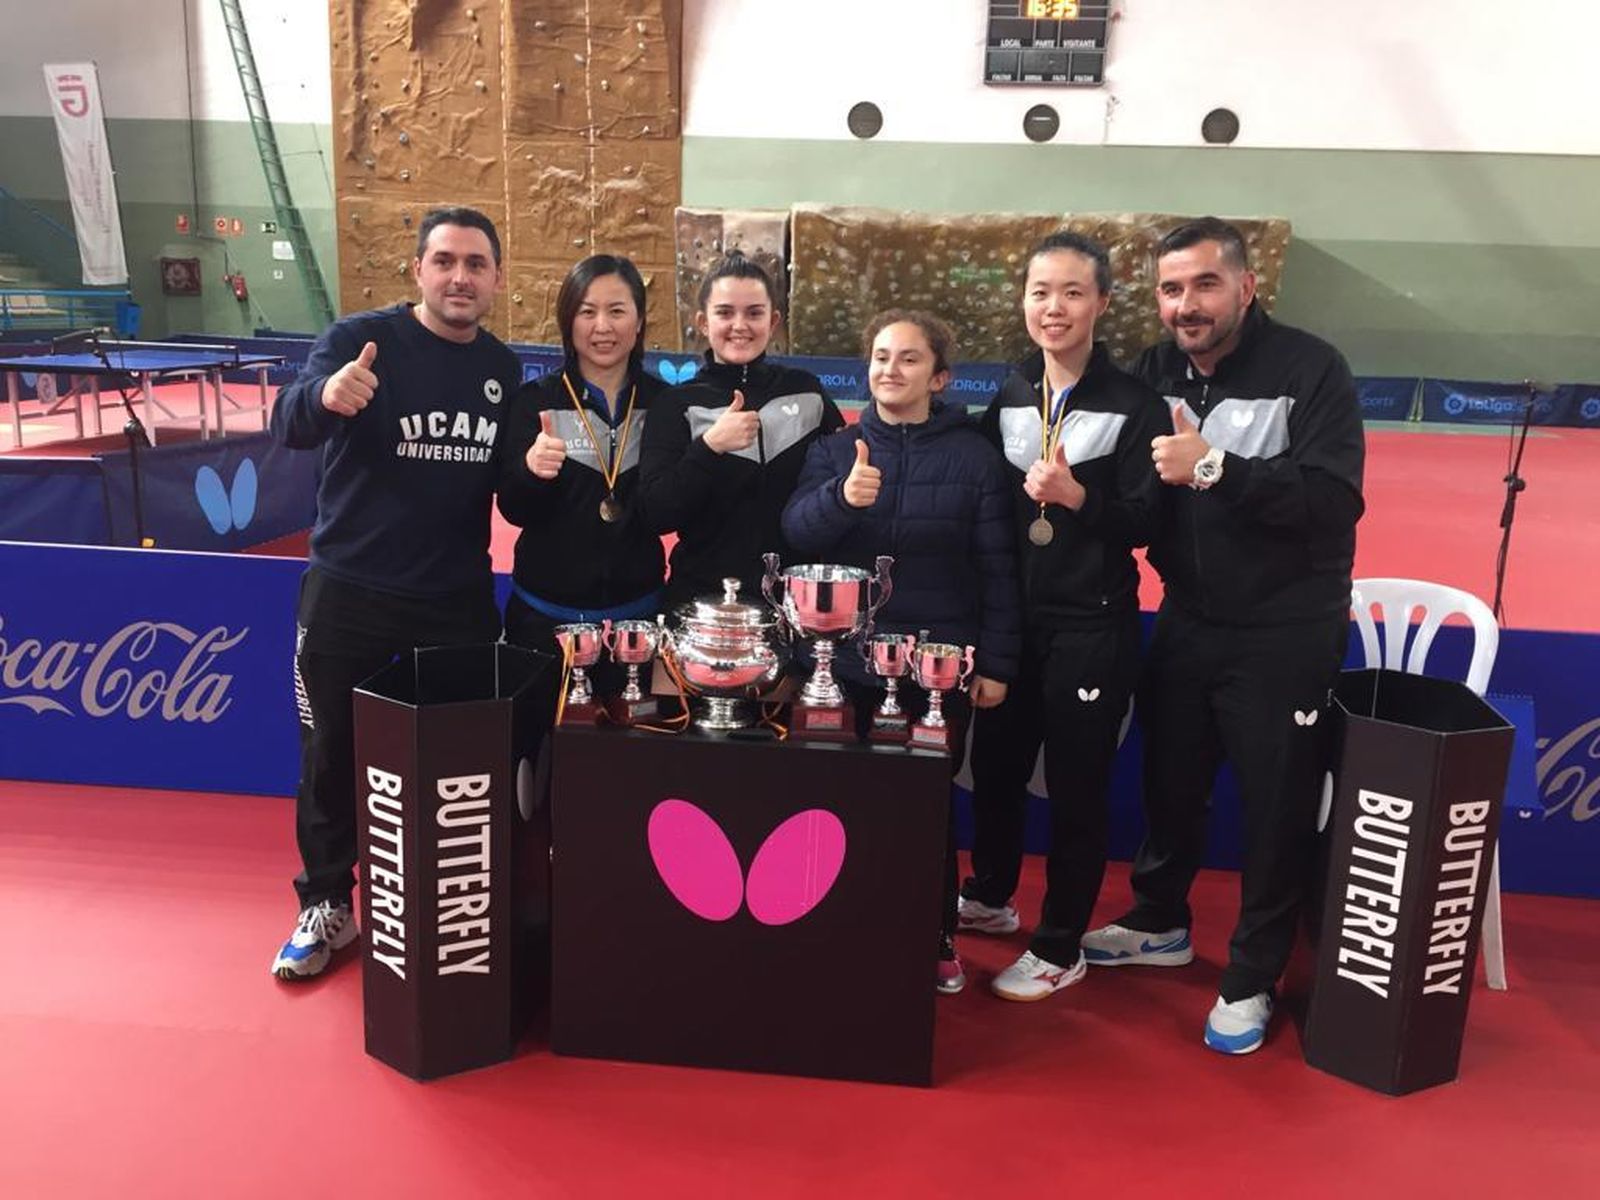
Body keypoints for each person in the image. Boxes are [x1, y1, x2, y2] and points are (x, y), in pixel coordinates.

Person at [1081, 217, 1366, 1054]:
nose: (1186, 305)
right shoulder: (1153, 369)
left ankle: (1251, 974)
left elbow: (1333, 502)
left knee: (1275, 808)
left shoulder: (1311, 369)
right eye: (1172, 290)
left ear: (1246, 287)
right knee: (1171, 781)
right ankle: (1162, 921)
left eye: (1205, 285)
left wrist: (1216, 467)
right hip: (1187, 615)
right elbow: (1129, 488)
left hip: (1285, 626)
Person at [268, 206, 521, 981]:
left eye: (476, 264)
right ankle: (326, 905)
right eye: (444, 261)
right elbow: (290, 422)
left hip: (454, 601)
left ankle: (441, 902)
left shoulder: (504, 371)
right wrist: (323, 397)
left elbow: (510, 491)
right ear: (418, 270)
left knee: (452, 766)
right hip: (350, 593)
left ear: (496, 280)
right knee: (330, 755)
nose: (459, 277)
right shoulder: (358, 341)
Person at [782, 310, 1019, 995]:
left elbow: (999, 566)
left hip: (936, 671)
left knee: (926, 806)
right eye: (881, 357)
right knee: (838, 801)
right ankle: (836, 921)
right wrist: (840, 499)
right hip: (848, 664)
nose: (891, 370)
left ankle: (935, 935)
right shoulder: (836, 449)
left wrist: (997, 663)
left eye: (909, 359)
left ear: (939, 377)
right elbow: (796, 534)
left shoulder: (974, 458)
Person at [959, 232, 1169, 1002]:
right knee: (1000, 773)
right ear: (1024, 302)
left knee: (1077, 789)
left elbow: (1150, 520)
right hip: (1014, 625)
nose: (1055, 307)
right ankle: (990, 894)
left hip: (1092, 625)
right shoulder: (1013, 391)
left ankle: (1058, 945)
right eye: (1041, 292)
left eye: (1073, 292)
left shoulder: (1136, 405)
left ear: (1103, 304)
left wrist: (1081, 498)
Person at [638, 252, 844, 607]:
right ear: (703, 322)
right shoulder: (676, 404)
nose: (740, 325)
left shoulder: (806, 391)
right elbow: (656, 514)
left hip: (793, 607)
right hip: (701, 604)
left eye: (754, 313)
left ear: (774, 320)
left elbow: (839, 481)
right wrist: (709, 447)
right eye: (724, 312)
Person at [497, 255, 667, 663]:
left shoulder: (664, 405)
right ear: (568, 321)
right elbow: (513, 508)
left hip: (638, 621)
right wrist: (531, 472)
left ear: (639, 321)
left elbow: (673, 507)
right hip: (544, 619)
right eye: (587, 312)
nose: (602, 327)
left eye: (617, 311)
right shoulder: (534, 401)